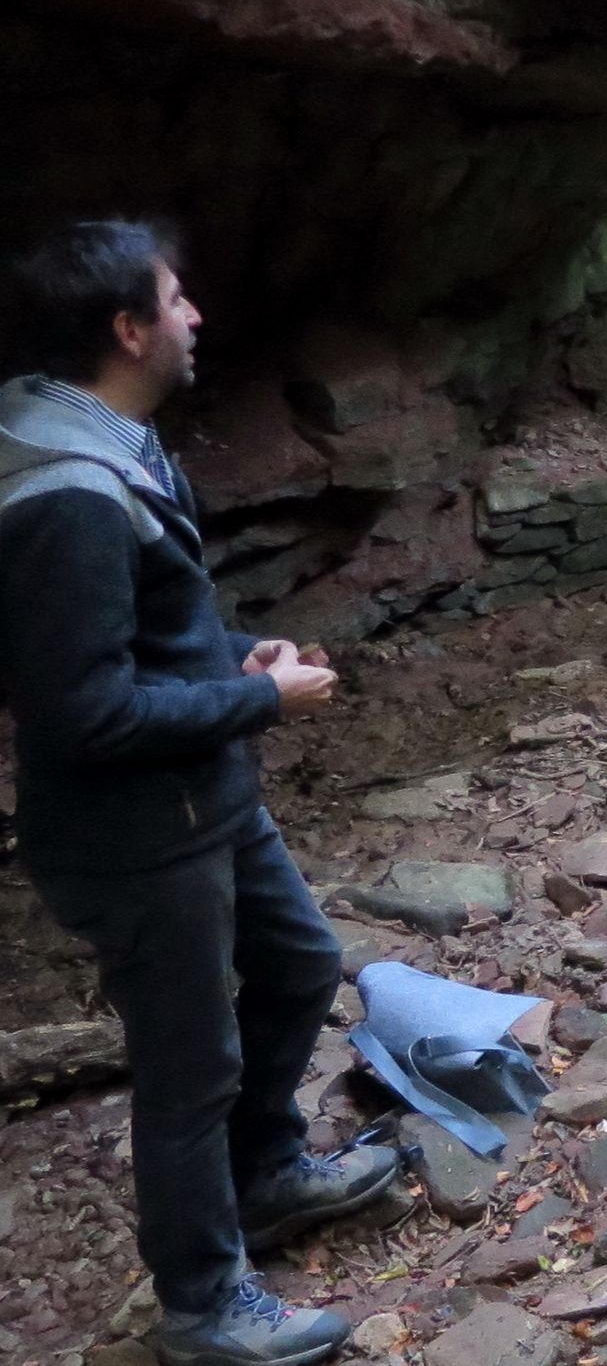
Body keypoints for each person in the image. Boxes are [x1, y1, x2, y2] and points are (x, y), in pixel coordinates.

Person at [0, 223, 398, 1366]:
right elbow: (84, 712)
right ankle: (203, 1301)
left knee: (301, 962)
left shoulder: (101, 433)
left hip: (198, 795)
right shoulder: (67, 493)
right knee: (189, 1070)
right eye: (176, 300)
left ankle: (264, 1173)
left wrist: (236, 654)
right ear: (129, 329)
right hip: (136, 834)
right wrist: (260, 700)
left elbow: (148, 636)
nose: (196, 316)